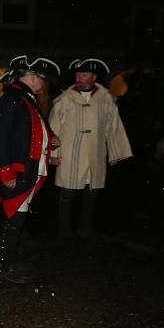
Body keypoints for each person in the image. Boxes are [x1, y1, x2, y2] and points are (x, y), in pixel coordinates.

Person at [0, 55, 61, 284]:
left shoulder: (24, 98)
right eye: (42, 78)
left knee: (16, 218)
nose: (43, 83)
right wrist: (6, 171)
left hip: (27, 168)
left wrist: (48, 138)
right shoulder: (13, 99)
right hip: (17, 171)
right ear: (32, 77)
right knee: (14, 219)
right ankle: (4, 266)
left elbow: (28, 129)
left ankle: (7, 262)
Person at [49, 58, 133, 240]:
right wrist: (53, 153)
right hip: (71, 154)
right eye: (78, 74)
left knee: (91, 193)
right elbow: (53, 128)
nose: (79, 78)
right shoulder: (64, 100)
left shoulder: (105, 100)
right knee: (67, 193)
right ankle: (64, 229)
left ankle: (85, 228)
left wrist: (115, 151)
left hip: (95, 153)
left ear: (94, 76)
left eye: (84, 74)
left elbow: (113, 127)